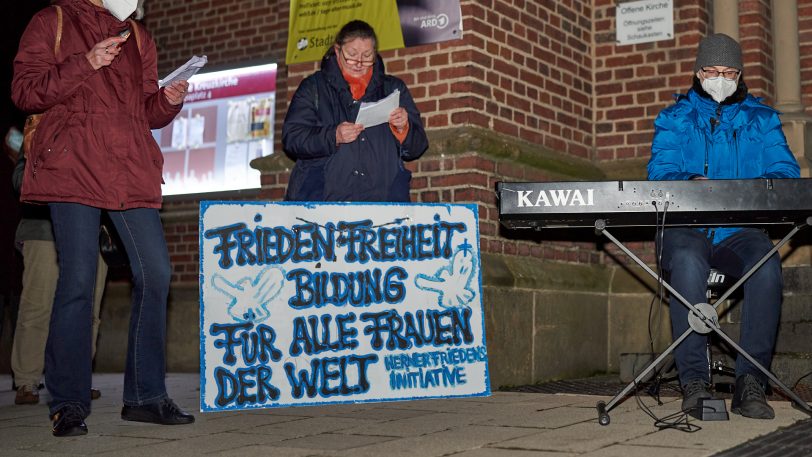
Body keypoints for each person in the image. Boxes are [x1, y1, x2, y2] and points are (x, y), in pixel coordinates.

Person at [12, 0, 194, 436]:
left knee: (157, 273)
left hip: (129, 169)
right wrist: (86, 61)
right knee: (76, 281)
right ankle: (69, 402)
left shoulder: (139, 36)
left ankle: (145, 397)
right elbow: (25, 90)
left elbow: (144, 112)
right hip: (73, 166)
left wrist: (167, 102)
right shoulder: (51, 20)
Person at [648, 33, 800, 420]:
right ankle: (695, 382)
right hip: (687, 229)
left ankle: (752, 383)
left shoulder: (762, 119)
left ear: (740, 75)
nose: (721, 78)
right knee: (685, 260)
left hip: (740, 231)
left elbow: (785, 173)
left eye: (729, 72)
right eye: (713, 71)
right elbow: (660, 172)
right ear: (699, 73)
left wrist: (751, 189)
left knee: (766, 264)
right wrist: (690, 182)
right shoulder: (674, 119)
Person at [282, 19, 429, 202]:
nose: (359, 63)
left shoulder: (393, 89)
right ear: (337, 51)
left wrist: (403, 129)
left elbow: (418, 146)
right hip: (322, 203)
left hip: (382, 204)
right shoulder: (313, 88)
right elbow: (292, 138)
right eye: (352, 54)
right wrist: (333, 136)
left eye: (367, 56)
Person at [10, 147, 108, 406]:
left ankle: (77, 379)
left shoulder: (104, 125)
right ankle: (27, 381)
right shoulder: (42, 121)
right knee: (37, 306)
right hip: (44, 228)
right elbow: (20, 177)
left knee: (89, 310)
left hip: (93, 232)